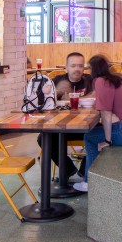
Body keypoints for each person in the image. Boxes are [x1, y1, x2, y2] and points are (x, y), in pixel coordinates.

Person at [74, 54, 122, 193]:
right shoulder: (118, 79)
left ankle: (89, 182)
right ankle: (98, 177)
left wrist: (107, 141)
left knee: (90, 137)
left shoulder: (100, 81)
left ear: (93, 69)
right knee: (97, 132)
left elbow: (106, 113)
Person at [37, 52, 93, 183]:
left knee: (102, 135)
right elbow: (41, 101)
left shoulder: (90, 80)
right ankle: (67, 170)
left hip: (87, 126)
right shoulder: (57, 81)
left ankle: (84, 170)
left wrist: (75, 97)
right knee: (43, 138)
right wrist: (56, 93)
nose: (77, 69)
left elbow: (97, 96)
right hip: (62, 126)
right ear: (66, 67)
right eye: (73, 66)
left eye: (80, 66)